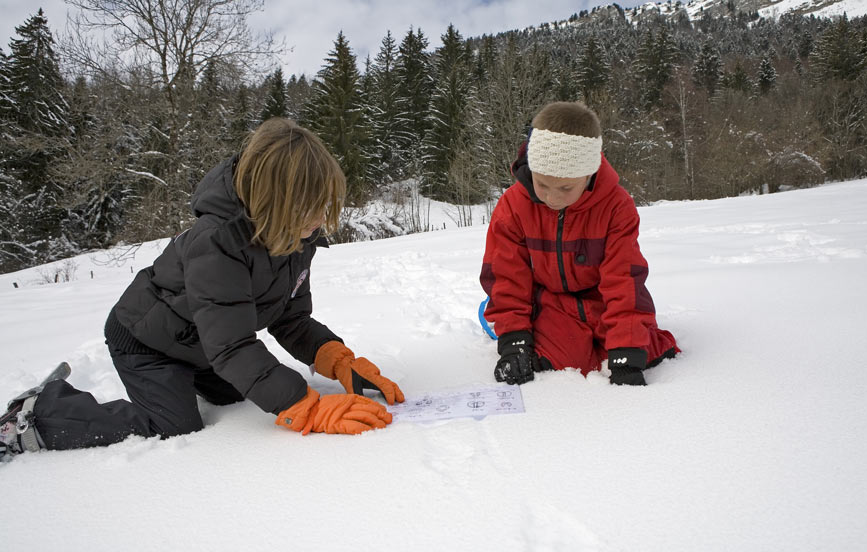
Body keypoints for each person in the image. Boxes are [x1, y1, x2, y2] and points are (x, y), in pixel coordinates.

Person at [2, 118, 403, 456]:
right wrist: (305, 407)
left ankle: (188, 382)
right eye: (306, 206)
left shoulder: (297, 237)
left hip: (202, 345)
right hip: (148, 342)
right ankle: (38, 414)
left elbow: (290, 319)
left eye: (322, 204)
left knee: (238, 394)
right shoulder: (216, 241)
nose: (318, 218)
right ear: (272, 200)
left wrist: (336, 358)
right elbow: (232, 347)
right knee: (173, 424)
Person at [480, 101, 679, 387]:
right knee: (566, 358)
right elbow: (506, 275)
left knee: (639, 350)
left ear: (588, 175)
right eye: (542, 184)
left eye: (565, 188)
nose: (552, 198)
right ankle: (498, 316)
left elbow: (623, 279)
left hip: (598, 298)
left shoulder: (616, 206)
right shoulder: (513, 205)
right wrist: (514, 340)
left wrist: (626, 352)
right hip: (548, 299)